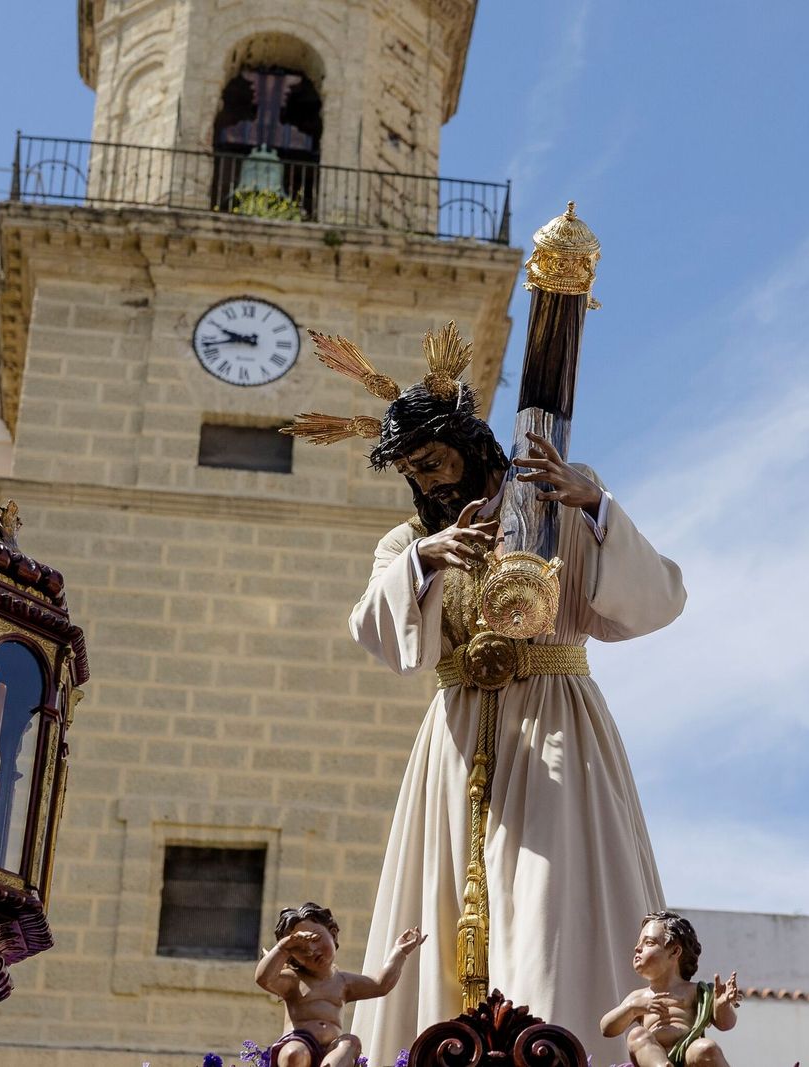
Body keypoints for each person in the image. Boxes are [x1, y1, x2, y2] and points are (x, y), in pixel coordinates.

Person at [286, 324, 687, 1066]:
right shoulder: (409, 542)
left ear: (468, 445)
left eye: (434, 460)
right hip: (454, 737)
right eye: (412, 470)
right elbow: (375, 632)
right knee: (439, 914)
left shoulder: (554, 499)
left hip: (556, 726)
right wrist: (424, 562)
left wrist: (595, 507)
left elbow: (656, 600)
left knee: (549, 901)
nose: (430, 482)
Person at [254, 902, 425, 1067]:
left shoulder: (343, 983)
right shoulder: (293, 980)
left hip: (331, 1051)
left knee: (350, 1043)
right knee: (295, 1054)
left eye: (316, 938)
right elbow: (264, 979)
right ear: (292, 957)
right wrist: (283, 947)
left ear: (333, 933)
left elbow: (380, 984)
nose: (311, 949)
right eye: (299, 948)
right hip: (299, 1042)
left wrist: (399, 952)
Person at [601, 911, 740, 1067]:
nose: (637, 948)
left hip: (689, 1057)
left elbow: (726, 1024)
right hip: (654, 1058)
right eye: (639, 943)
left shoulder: (695, 991)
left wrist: (722, 1005)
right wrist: (632, 1008)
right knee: (636, 1034)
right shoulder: (639, 997)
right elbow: (607, 1028)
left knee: (706, 1048)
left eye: (648, 943)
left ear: (675, 951)